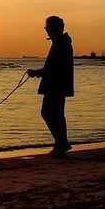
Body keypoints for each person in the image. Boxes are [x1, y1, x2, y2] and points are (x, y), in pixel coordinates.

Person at [27, 16, 74, 158]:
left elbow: (55, 68)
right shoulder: (60, 42)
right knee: (54, 114)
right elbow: (52, 67)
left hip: (56, 85)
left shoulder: (61, 43)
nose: (47, 30)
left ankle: (61, 144)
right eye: (46, 27)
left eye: (49, 27)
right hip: (56, 84)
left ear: (58, 27)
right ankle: (61, 143)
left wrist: (37, 73)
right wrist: (38, 73)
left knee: (50, 114)